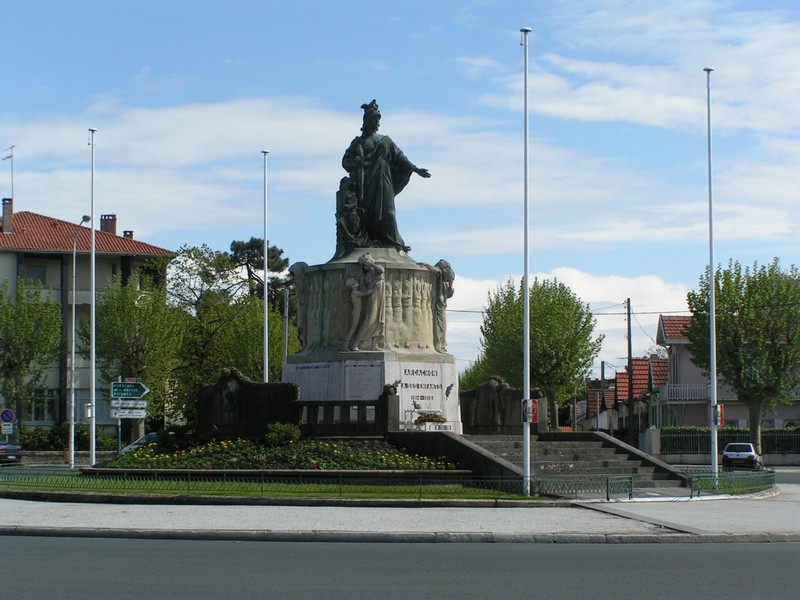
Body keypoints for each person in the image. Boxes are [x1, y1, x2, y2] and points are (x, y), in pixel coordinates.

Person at [342, 100, 430, 252]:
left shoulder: (386, 141)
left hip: (383, 179)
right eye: (374, 119)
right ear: (367, 121)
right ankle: (372, 239)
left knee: (388, 211)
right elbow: (345, 161)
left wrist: (416, 169)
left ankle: (392, 241)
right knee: (368, 213)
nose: (377, 123)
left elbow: (401, 157)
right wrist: (356, 161)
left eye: (378, 120)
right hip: (365, 182)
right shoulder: (358, 142)